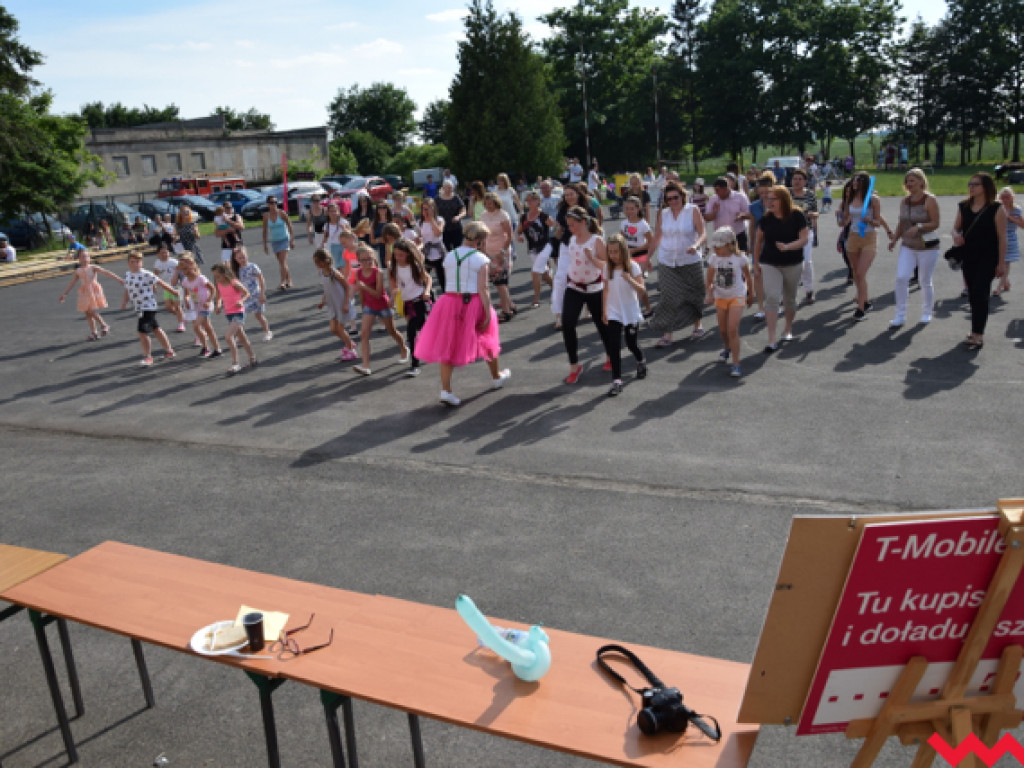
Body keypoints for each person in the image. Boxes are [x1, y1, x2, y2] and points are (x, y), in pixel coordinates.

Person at [412, 222, 509, 405]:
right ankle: (496, 377)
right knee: (487, 337)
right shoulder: (480, 258)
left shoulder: (450, 256)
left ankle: (446, 390)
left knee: (448, 345)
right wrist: (488, 312)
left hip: (449, 302)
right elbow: (483, 288)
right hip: (472, 301)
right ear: (479, 240)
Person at [648, 181, 706, 348]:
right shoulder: (664, 213)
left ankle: (697, 324)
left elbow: (703, 233)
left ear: (682, 196)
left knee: (694, 294)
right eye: (669, 199)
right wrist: (647, 258)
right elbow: (657, 236)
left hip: (690, 260)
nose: (673, 201)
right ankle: (668, 334)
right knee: (668, 296)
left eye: (676, 197)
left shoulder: (692, 210)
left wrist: (696, 245)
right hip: (667, 260)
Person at [952, 172, 1007, 350]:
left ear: (986, 187)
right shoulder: (964, 206)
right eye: (970, 184)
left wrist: (1001, 263)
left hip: (988, 257)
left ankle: (978, 334)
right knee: (973, 294)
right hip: (969, 256)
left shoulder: (996, 208)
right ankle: (975, 329)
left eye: (976, 184)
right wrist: (956, 235)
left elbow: (1002, 237)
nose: (971, 187)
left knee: (980, 291)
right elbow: (955, 228)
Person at [753, 185, 808, 353]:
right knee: (773, 297)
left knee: (789, 299)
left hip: (793, 263)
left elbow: (804, 239)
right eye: (767, 199)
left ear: (783, 200)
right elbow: (758, 242)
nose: (769, 202)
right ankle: (771, 339)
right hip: (770, 262)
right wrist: (756, 264)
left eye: (773, 199)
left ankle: (787, 329)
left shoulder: (797, 215)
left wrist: (788, 246)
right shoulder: (766, 219)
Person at [560, 206, 610, 385]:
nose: (570, 228)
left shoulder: (597, 240)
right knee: (567, 324)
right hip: (574, 287)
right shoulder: (572, 239)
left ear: (583, 222)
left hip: (594, 289)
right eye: (568, 225)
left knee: (602, 324)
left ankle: (610, 355)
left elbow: (606, 266)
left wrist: (591, 258)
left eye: (573, 225)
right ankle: (574, 366)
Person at [887, 168, 942, 327]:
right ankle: (900, 315)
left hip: (927, 247)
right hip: (908, 246)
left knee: (924, 280)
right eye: (907, 181)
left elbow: (935, 223)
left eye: (912, 180)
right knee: (901, 278)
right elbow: (902, 222)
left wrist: (919, 227)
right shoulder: (904, 201)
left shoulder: (930, 200)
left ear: (921, 181)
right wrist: (894, 239)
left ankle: (926, 312)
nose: (909, 184)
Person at [351, 244, 408, 375]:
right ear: (359, 261)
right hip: (369, 307)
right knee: (364, 334)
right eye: (364, 260)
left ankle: (404, 348)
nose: (368, 262)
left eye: (370, 258)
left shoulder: (378, 272)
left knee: (392, 331)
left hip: (383, 305)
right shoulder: (358, 273)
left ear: (374, 258)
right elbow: (360, 293)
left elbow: (377, 294)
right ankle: (366, 366)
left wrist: (364, 286)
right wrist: (363, 306)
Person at [602, 234, 647, 396]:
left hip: (629, 311)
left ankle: (640, 360)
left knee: (631, 344)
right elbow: (605, 290)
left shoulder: (633, 267)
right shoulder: (607, 268)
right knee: (614, 346)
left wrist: (630, 279)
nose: (613, 255)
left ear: (623, 250)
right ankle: (617, 381)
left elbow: (642, 290)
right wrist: (604, 310)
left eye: (616, 251)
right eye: (610, 252)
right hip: (614, 311)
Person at [842, 172, 891, 320]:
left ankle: (861, 308)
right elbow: (844, 220)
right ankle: (866, 301)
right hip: (853, 237)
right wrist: (840, 217)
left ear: (864, 182)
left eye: (857, 180)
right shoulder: (850, 198)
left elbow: (877, 222)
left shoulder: (873, 200)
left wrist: (869, 220)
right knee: (856, 272)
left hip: (869, 237)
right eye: (853, 179)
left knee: (860, 273)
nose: (854, 182)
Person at [705, 227, 753, 377]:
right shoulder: (714, 259)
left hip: (737, 296)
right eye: (715, 246)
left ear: (730, 245)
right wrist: (709, 294)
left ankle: (736, 363)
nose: (716, 248)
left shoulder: (740, 258)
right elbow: (709, 280)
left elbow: (748, 276)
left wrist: (750, 294)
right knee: (723, 330)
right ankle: (727, 347)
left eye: (719, 246)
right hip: (720, 296)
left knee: (732, 329)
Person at [121, 251, 177, 367]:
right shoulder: (127, 275)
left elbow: (160, 283)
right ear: (128, 263)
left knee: (142, 332)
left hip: (148, 306)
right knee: (156, 329)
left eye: (137, 262)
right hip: (138, 307)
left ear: (141, 263)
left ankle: (148, 357)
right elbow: (127, 288)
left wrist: (174, 292)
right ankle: (169, 351)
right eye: (132, 262)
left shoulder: (146, 274)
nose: (135, 264)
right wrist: (124, 301)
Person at [388, 238, 433, 377]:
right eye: (396, 255)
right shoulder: (393, 268)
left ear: (408, 253)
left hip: (419, 300)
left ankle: (415, 365)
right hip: (407, 302)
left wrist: (426, 291)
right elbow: (394, 286)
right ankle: (427, 347)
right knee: (419, 329)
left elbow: (428, 279)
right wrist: (392, 297)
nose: (398, 257)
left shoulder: (415, 265)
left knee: (412, 332)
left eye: (401, 255)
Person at [58, 248, 123, 340]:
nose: (85, 259)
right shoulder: (78, 271)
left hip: (93, 291)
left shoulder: (93, 267)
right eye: (82, 257)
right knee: (87, 313)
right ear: (78, 259)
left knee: (91, 310)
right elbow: (72, 283)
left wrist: (119, 279)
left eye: (87, 256)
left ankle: (104, 325)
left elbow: (106, 272)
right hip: (84, 292)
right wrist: (64, 294)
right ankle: (94, 332)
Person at [312, 248, 358, 362]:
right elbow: (326, 289)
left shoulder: (335, 273)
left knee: (340, 328)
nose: (316, 264)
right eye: (315, 262)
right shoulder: (322, 273)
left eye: (318, 262)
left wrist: (346, 303)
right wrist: (323, 301)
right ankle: (349, 343)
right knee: (333, 329)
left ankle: (351, 350)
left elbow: (347, 287)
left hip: (341, 304)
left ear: (325, 261)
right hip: (332, 305)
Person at [211, 263, 256, 375]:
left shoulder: (234, 283)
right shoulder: (219, 284)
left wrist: (241, 301)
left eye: (218, 276)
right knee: (242, 338)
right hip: (229, 313)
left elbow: (247, 293)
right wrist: (218, 305)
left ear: (225, 274)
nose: (216, 279)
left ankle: (235, 363)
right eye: (215, 276)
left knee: (228, 336)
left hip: (238, 313)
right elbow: (219, 297)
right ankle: (252, 358)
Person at [177, 255, 222, 359]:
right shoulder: (185, 281)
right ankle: (216, 349)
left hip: (205, 306)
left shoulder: (201, 278)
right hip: (197, 306)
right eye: (182, 270)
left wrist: (209, 301)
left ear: (192, 266)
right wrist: (186, 300)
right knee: (208, 328)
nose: (185, 272)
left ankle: (206, 347)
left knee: (196, 326)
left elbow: (213, 289)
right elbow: (186, 293)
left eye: (186, 269)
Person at [479, 192, 515, 321]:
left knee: (500, 282)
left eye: (490, 203)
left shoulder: (503, 215)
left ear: (496, 203)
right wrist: (482, 250)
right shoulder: (483, 215)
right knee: (496, 281)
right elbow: (482, 234)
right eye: (486, 204)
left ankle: (506, 311)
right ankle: (510, 305)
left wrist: (503, 252)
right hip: (488, 251)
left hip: (501, 251)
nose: (488, 206)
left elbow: (509, 236)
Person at [519, 190, 553, 308]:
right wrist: (518, 236)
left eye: (532, 199)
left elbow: (555, 226)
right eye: (527, 200)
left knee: (535, 272)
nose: (529, 202)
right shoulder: (524, 217)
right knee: (544, 274)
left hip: (545, 246)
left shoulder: (543, 215)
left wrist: (558, 237)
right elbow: (519, 231)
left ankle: (536, 299)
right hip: (532, 248)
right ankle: (557, 289)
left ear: (538, 201)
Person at [231, 246, 273, 342]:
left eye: (243, 257)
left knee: (258, 315)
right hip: (244, 297)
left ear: (247, 255)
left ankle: (267, 332)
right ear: (235, 259)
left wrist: (262, 293)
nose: (242, 259)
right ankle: (240, 336)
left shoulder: (253, 266)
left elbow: (261, 279)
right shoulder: (236, 270)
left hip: (255, 295)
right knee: (241, 316)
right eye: (239, 258)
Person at [620, 198, 654, 313]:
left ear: (638, 209)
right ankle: (632, 309)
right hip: (627, 255)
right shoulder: (624, 223)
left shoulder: (643, 224)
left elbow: (650, 242)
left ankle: (647, 309)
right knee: (627, 283)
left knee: (638, 283)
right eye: (627, 209)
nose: (629, 211)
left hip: (641, 255)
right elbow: (621, 239)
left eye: (632, 209)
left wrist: (635, 250)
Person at [790, 169, 819, 304]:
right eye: (794, 179)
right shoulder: (787, 194)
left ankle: (809, 290)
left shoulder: (810, 195)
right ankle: (790, 292)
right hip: (789, 232)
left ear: (805, 181)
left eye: (800, 179)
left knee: (806, 261)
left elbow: (816, 212)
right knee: (791, 263)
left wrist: (813, 215)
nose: (797, 181)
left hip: (806, 230)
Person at [705, 176, 750, 252]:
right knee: (721, 258)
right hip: (721, 237)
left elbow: (750, 214)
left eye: (718, 190)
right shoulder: (713, 199)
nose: (716, 193)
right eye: (715, 190)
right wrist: (714, 212)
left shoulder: (740, 197)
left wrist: (742, 216)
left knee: (741, 257)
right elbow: (707, 218)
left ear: (726, 188)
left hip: (738, 235)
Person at [262, 196, 295, 291]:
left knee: (283, 261)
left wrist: (292, 239)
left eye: (275, 202)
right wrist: (265, 244)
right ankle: (289, 280)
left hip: (284, 239)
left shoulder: (282, 213)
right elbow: (264, 230)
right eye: (271, 202)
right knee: (281, 262)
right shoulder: (266, 216)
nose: (274, 204)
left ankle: (282, 282)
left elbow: (290, 226)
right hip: (274, 240)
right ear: (268, 204)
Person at [151, 243, 185, 332]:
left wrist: (184, 283)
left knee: (177, 306)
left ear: (169, 252)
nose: (164, 254)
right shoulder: (157, 263)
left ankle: (181, 323)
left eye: (166, 252)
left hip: (176, 286)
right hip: (166, 287)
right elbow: (155, 274)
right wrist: (154, 285)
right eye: (162, 253)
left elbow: (182, 273)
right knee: (168, 307)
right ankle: (182, 317)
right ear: (158, 254)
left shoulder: (174, 262)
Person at [995, 186, 1021, 295]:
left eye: (1008, 197)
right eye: (1003, 197)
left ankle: (999, 287)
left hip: (1010, 237)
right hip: (997, 237)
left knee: (1006, 262)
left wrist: (1010, 217)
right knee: (997, 261)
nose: (1005, 200)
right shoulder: (997, 208)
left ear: (1012, 197)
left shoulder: (1016, 210)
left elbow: (1022, 224)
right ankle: (1006, 281)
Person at [436, 180, 466, 252]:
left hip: (456, 227)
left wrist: (458, 217)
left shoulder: (456, 198)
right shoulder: (437, 199)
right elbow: (433, 211)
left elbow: (463, 210)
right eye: (448, 187)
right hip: (443, 228)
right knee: (447, 249)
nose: (450, 189)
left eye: (451, 188)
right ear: (443, 188)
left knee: (458, 249)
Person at [369, 202, 393, 267]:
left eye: (384, 207)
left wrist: (388, 240)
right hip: (378, 251)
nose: (382, 209)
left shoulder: (392, 222)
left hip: (390, 250)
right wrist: (379, 240)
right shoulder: (373, 223)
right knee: (381, 270)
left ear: (387, 209)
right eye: (379, 207)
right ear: (377, 210)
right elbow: (371, 241)